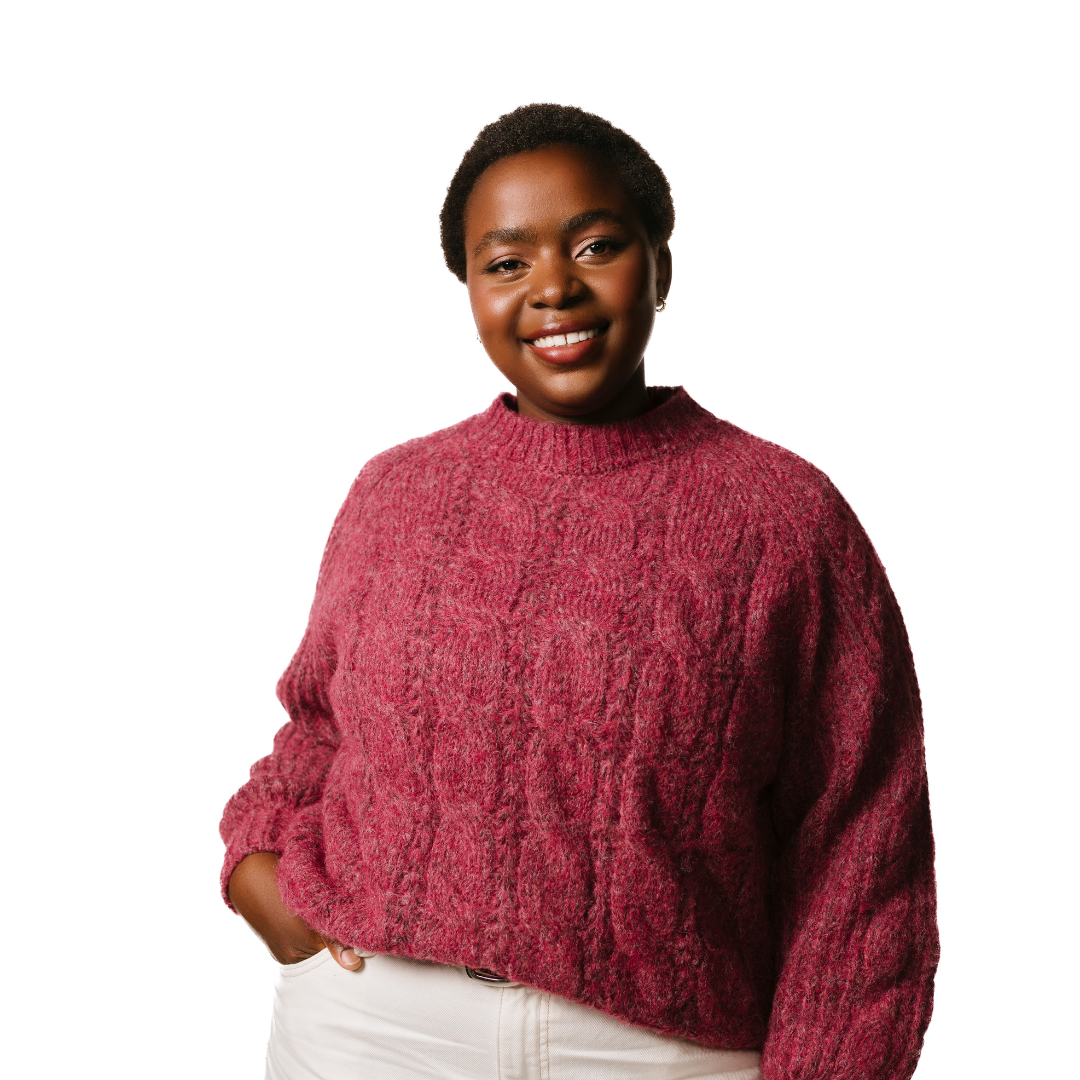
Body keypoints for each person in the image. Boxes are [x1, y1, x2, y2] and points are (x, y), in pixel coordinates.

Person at [221, 103, 939, 1080]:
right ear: (470, 289)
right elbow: (320, 728)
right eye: (506, 262)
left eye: (595, 246)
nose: (552, 288)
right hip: (369, 1031)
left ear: (661, 267)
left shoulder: (784, 521)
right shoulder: (396, 493)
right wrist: (259, 870)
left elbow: (858, 841)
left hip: (660, 1052)